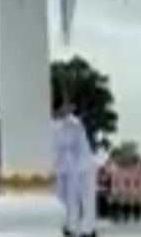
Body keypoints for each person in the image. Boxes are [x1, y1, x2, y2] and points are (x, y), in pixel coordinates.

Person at [53, 101, 98, 237]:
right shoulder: (57, 124)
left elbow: (66, 143)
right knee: (71, 199)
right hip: (72, 168)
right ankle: (71, 228)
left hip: (84, 166)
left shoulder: (73, 123)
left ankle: (88, 230)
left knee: (87, 199)